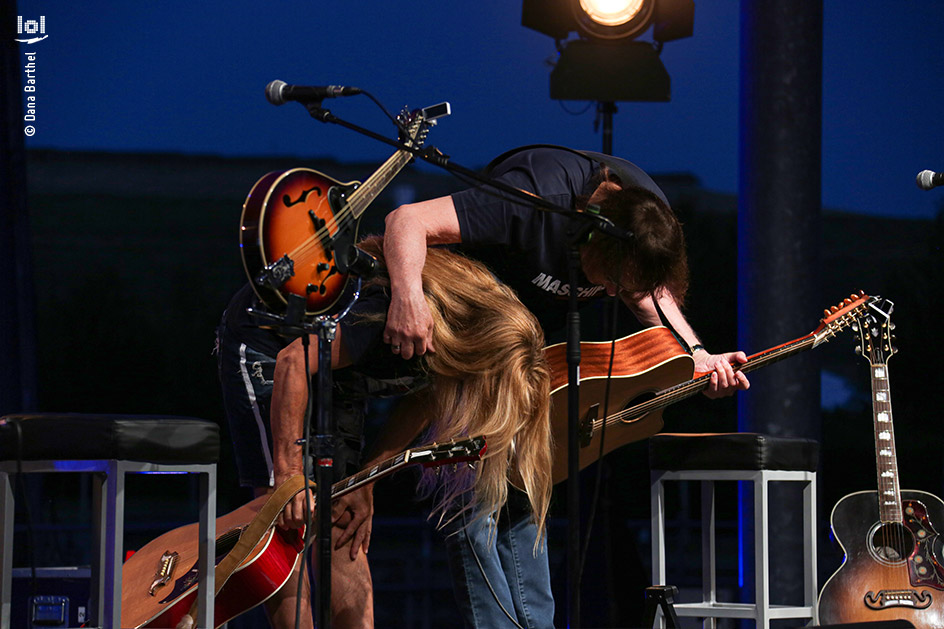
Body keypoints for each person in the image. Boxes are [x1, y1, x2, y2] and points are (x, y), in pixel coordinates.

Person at [379, 145, 751, 627]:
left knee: (528, 488)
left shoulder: (643, 218)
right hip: (467, 319)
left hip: (528, 341)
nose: (615, 294)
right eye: (613, 280)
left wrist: (697, 355)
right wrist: (408, 299)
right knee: (475, 494)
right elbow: (406, 220)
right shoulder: (533, 199)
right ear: (593, 239)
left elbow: (649, 290)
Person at [216, 236, 553, 629]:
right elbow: (293, 361)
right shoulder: (399, 319)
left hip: (340, 364)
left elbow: (424, 401)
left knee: (343, 521)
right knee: (288, 517)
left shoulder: (466, 344)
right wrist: (288, 475)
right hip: (270, 342)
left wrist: (365, 481)